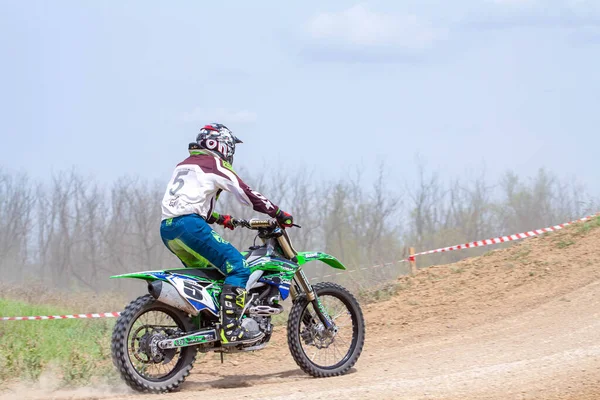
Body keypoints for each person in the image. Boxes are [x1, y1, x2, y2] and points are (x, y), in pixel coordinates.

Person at [160, 123, 293, 346]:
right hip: (189, 226)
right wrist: (278, 212)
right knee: (238, 267)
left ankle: (204, 328)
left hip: (168, 229)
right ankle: (230, 330)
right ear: (222, 145)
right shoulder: (214, 164)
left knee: (209, 277)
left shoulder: (184, 165)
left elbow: (190, 202)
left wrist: (221, 219)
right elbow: (246, 193)